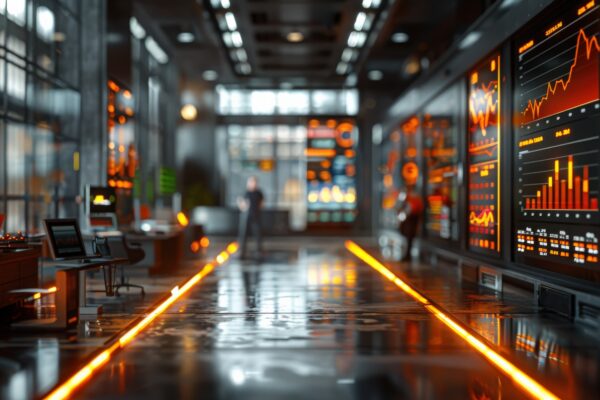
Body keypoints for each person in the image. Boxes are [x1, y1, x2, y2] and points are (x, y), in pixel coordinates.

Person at [237, 176, 264, 260]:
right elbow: (240, 202)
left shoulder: (259, 193)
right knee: (243, 235)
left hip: (256, 216)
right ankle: (242, 251)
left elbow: (262, 203)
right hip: (246, 217)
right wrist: (243, 206)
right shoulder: (245, 193)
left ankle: (258, 251)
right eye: (251, 182)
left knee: (258, 234)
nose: (253, 184)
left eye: (254, 182)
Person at [397, 188, 423, 262]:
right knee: (408, 239)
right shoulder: (411, 199)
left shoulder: (412, 200)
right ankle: (407, 255)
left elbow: (408, 211)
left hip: (410, 223)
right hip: (409, 223)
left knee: (409, 239)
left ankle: (407, 255)